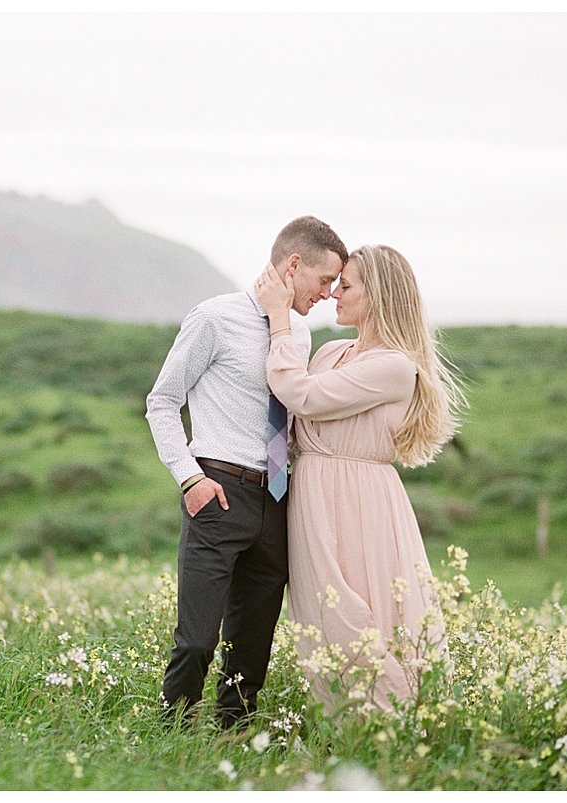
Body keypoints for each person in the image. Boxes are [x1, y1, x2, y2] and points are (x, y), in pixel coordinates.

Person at [145, 216, 348, 728]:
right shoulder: (214, 317)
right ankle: (169, 738)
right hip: (219, 491)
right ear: (293, 265)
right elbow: (162, 401)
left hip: (279, 497)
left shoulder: (297, 333)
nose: (329, 293)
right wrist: (190, 478)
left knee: (252, 648)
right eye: (325, 281)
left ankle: (233, 740)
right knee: (195, 642)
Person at [253, 244, 462, 713]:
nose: (333, 295)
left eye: (345, 286)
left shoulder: (393, 366)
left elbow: (300, 395)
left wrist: (279, 319)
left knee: (364, 610)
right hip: (313, 497)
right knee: (321, 615)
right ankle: (343, 726)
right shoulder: (330, 352)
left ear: (379, 295)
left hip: (361, 501)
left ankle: (394, 721)